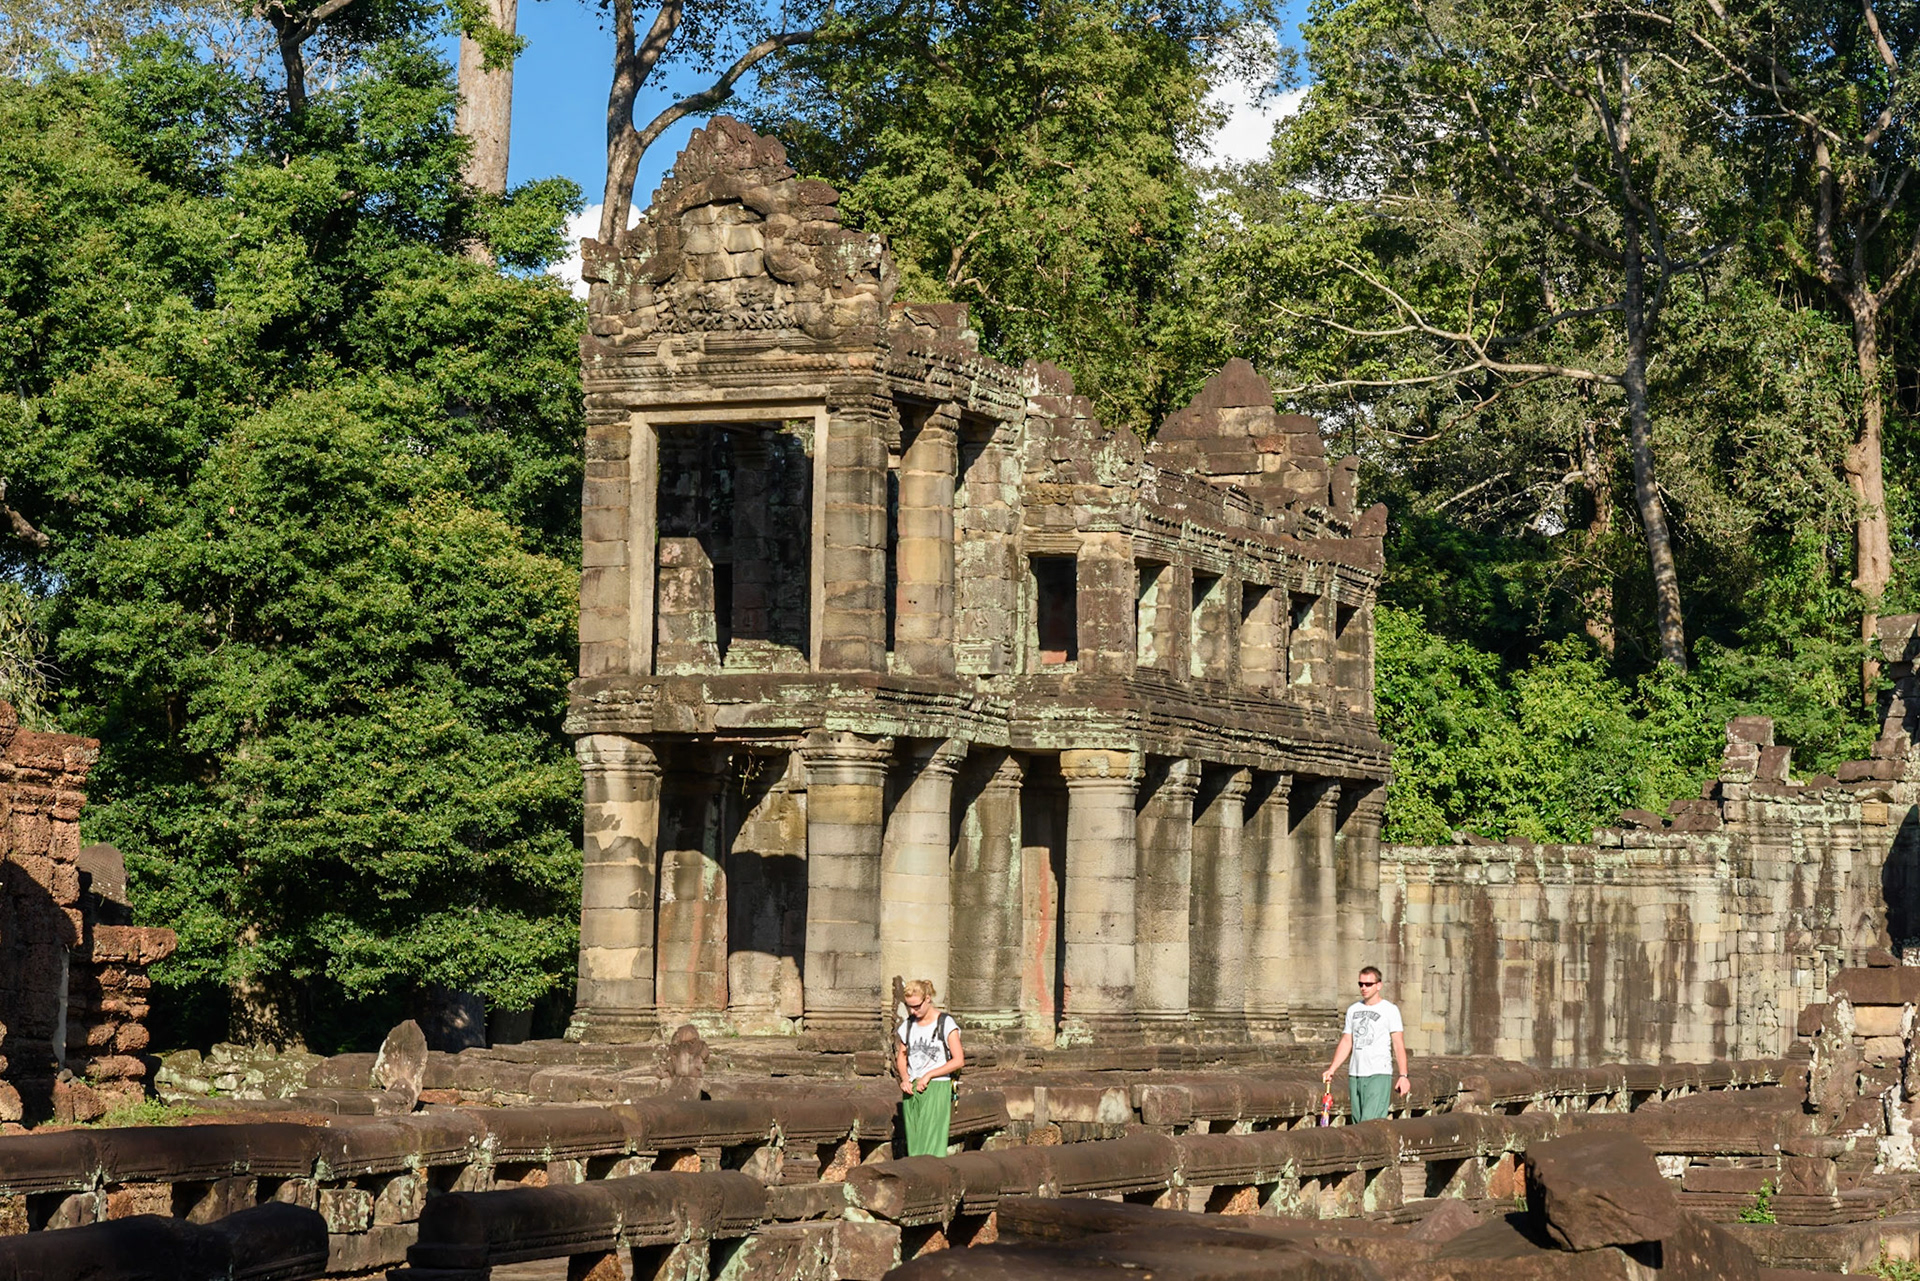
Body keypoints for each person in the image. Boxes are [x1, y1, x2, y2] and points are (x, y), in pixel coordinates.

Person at [1321, 965, 1409, 1123]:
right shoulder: (1353, 1010)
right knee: (1357, 1122)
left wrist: (1403, 1075)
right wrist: (1332, 1069)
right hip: (1355, 1073)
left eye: (1368, 984)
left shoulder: (1390, 1010)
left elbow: (1398, 1043)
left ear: (1378, 985)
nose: (1364, 988)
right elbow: (1347, 1041)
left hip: (1378, 1072)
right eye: (1360, 984)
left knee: (1369, 1123)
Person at [895, 978, 964, 1157]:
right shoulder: (908, 1025)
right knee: (914, 1143)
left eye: (916, 1006)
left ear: (927, 999)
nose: (913, 1011)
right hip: (912, 1087)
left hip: (936, 1085)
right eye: (909, 1006)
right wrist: (904, 1078)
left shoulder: (945, 1023)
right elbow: (901, 1056)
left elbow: (958, 1060)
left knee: (932, 1144)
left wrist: (929, 1075)